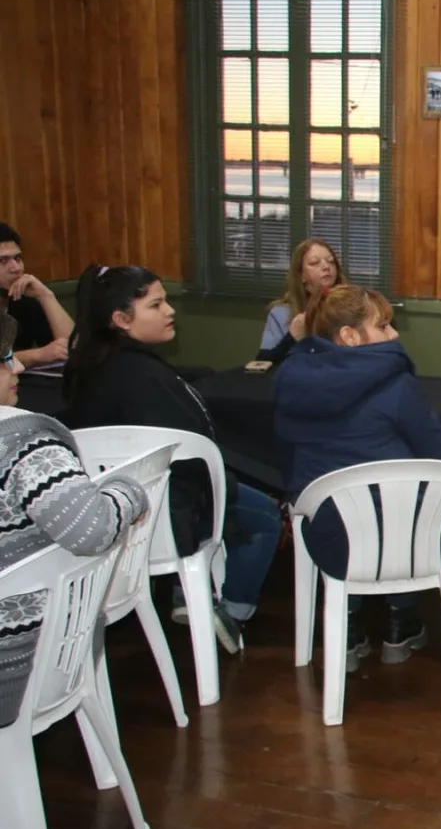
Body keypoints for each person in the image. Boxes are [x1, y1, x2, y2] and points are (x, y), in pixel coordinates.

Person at [273, 285, 441, 672]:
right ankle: (399, 620)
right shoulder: (395, 383)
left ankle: (348, 624)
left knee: (353, 509)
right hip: (406, 539)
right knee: (412, 504)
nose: (394, 336)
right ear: (349, 337)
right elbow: (439, 456)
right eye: (385, 325)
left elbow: (290, 461)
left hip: (330, 536)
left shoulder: (290, 380)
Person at [62, 264, 282, 653]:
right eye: (156, 304)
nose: (170, 311)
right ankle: (229, 609)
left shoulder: (93, 366)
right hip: (166, 511)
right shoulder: (145, 380)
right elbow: (193, 465)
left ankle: (190, 591)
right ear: (121, 319)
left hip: (112, 508)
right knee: (265, 516)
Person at [0, 312, 149, 729]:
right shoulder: (24, 444)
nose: (18, 367)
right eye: (6, 358)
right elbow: (92, 530)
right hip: (28, 664)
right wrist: (130, 491)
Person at [258, 238, 350, 362]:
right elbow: (262, 362)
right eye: (314, 263)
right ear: (301, 275)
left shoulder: (352, 306)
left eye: (331, 262)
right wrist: (292, 337)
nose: (326, 266)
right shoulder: (280, 313)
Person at [0, 222, 75, 369]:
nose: (15, 268)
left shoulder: (24, 301)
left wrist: (46, 296)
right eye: (3, 261)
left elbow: (74, 348)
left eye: (18, 258)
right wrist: (38, 355)